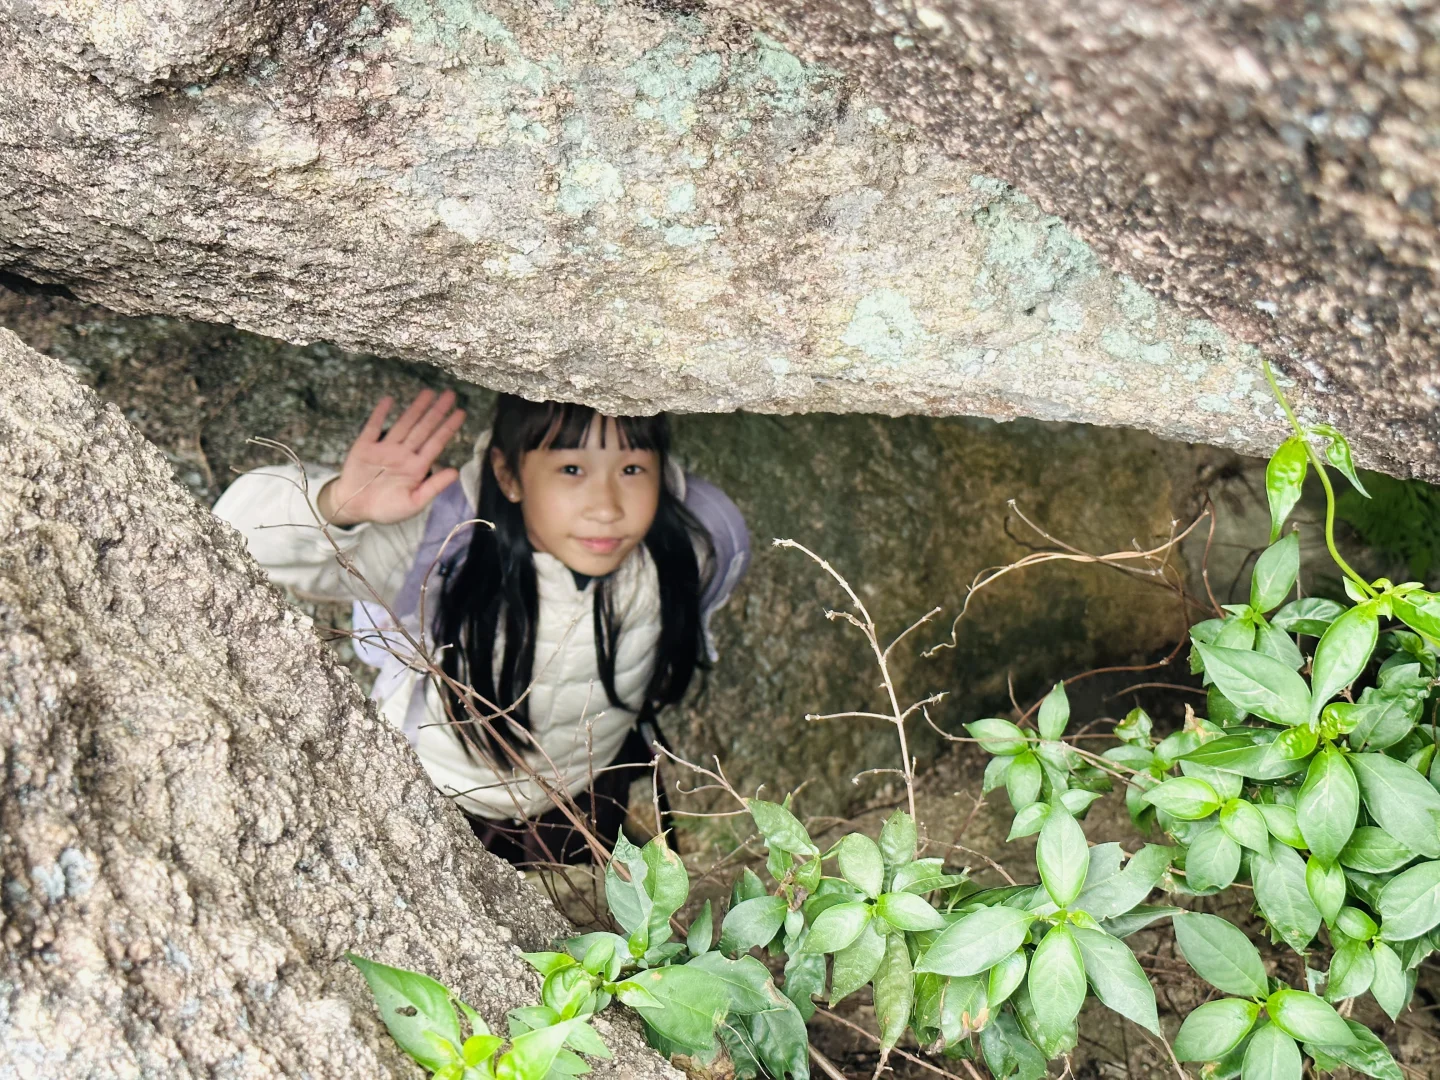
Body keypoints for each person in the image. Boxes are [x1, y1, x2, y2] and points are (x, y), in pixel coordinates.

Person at [213, 389, 749, 866]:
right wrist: (337, 505)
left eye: (632, 469)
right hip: (439, 793)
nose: (606, 507)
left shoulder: (687, 547)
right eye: (571, 469)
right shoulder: (446, 543)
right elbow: (233, 535)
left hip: (584, 786)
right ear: (509, 475)